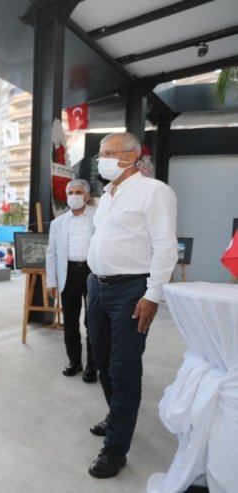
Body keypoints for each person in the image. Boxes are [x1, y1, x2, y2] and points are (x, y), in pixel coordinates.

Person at [85, 132, 177, 479]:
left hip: (130, 290)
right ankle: (116, 414)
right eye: (99, 153)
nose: (100, 159)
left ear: (131, 157)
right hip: (97, 286)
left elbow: (166, 247)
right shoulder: (107, 195)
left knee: (124, 368)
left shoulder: (155, 192)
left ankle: (115, 447)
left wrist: (153, 295)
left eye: (107, 153)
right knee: (103, 361)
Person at [45, 178, 97, 383]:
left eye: (78, 192)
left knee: (92, 322)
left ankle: (93, 366)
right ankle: (74, 361)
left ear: (86, 195)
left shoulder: (98, 217)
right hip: (68, 274)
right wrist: (51, 281)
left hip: (93, 273)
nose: (74, 196)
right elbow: (51, 253)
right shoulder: (58, 223)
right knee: (71, 322)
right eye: (70, 193)